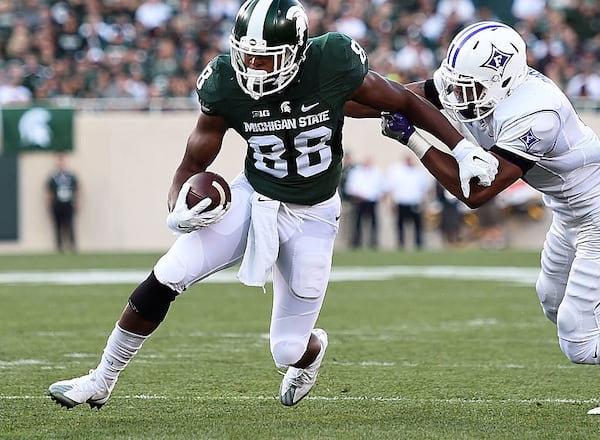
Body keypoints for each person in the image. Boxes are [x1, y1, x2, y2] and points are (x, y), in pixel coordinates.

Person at [47, 0, 499, 410]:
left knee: (287, 349)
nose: (254, 66)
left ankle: (312, 352)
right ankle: (101, 379)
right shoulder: (226, 81)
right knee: (169, 273)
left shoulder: (331, 60)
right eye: (247, 55)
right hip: (254, 197)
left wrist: (462, 148)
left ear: (298, 51)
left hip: (314, 214)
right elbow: (191, 164)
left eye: (266, 57)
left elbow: (403, 101)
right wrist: (178, 207)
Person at [374, 21, 600, 416]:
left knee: (579, 342)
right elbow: (397, 95)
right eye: (457, 86)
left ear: (503, 80)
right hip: (569, 214)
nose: (459, 97)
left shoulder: (537, 113)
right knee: (554, 304)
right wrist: (341, 96)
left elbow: (477, 193)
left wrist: (412, 138)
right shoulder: (481, 84)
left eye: (472, 89)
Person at [385, 155, 432, 250]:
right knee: (400, 225)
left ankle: (418, 244)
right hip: (401, 202)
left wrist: (425, 203)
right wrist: (390, 203)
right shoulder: (397, 171)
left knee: (417, 225)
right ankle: (401, 244)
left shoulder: (419, 172)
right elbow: (391, 188)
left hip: (415, 202)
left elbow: (425, 189)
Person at [344, 156, 385, 249]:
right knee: (357, 223)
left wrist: (379, 196)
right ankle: (356, 242)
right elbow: (350, 187)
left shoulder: (377, 172)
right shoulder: (356, 172)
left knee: (374, 223)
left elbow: (382, 187)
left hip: (372, 201)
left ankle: (373, 242)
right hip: (359, 201)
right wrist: (358, 195)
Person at [46, 154, 79, 253]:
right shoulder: (53, 177)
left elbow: (77, 189)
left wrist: (77, 202)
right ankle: (59, 247)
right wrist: (49, 203)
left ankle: (72, 245)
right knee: (58, 226)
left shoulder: (70, 176)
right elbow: (49, 191)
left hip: (68, 204)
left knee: (69, 224)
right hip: (57, 204)